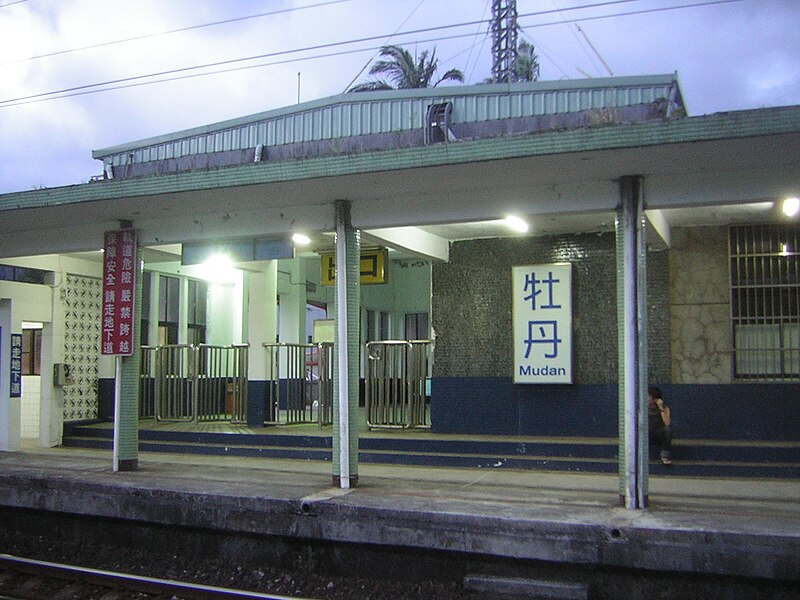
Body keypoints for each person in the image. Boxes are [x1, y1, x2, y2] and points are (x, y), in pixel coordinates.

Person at [648, 386, 672, 465]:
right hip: (647, 434)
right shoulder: (643, 408)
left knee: (667, 430)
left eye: (649, 397)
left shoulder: (665, 409)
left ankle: (665, 455)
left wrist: (661, 408)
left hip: (659, 434)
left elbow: (667, 423)